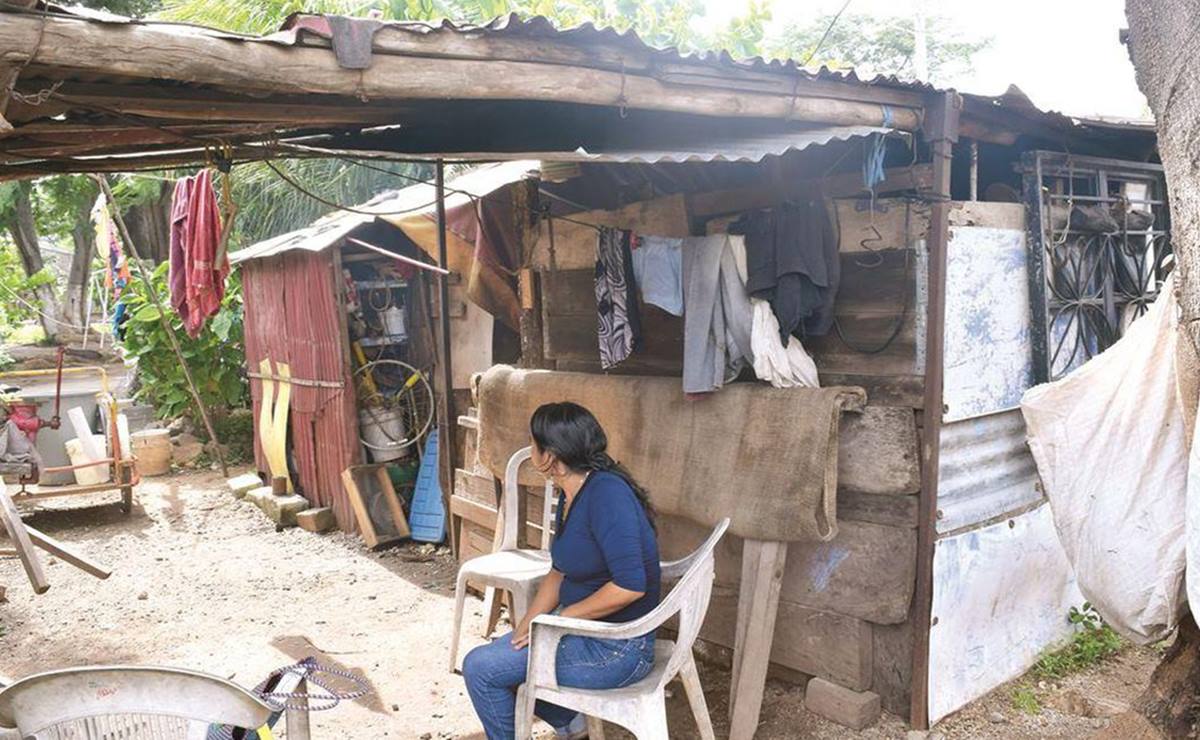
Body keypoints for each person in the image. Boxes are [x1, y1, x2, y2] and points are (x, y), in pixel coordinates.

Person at [462, 402, 661, 740]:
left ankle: (569, 722)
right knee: (502, 658)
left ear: (550, 455)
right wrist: (530, 624)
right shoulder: (571, 494)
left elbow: (630, 586)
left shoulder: (607, 494)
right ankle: (572, 723)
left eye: (533, 442)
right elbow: (559, 571)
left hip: (618, 649)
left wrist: (562, 619)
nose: (530, 449)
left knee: (481, 669)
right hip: (584, 632)